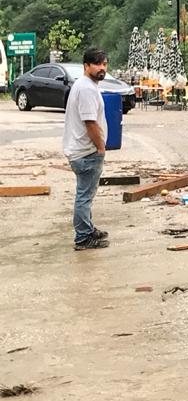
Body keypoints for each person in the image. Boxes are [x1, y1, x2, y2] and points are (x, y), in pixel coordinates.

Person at [64, 47, 110, 250]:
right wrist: (100, 147)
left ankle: (88, 228)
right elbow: (90, 123)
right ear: (86, 66)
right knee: (84, 196)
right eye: (97, 64)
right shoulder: (86, 89)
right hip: (86, 152)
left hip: (81, 150)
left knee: (86, 194)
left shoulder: (86, 85)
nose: (102, 68)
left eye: (105, 64)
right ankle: (83, 237)